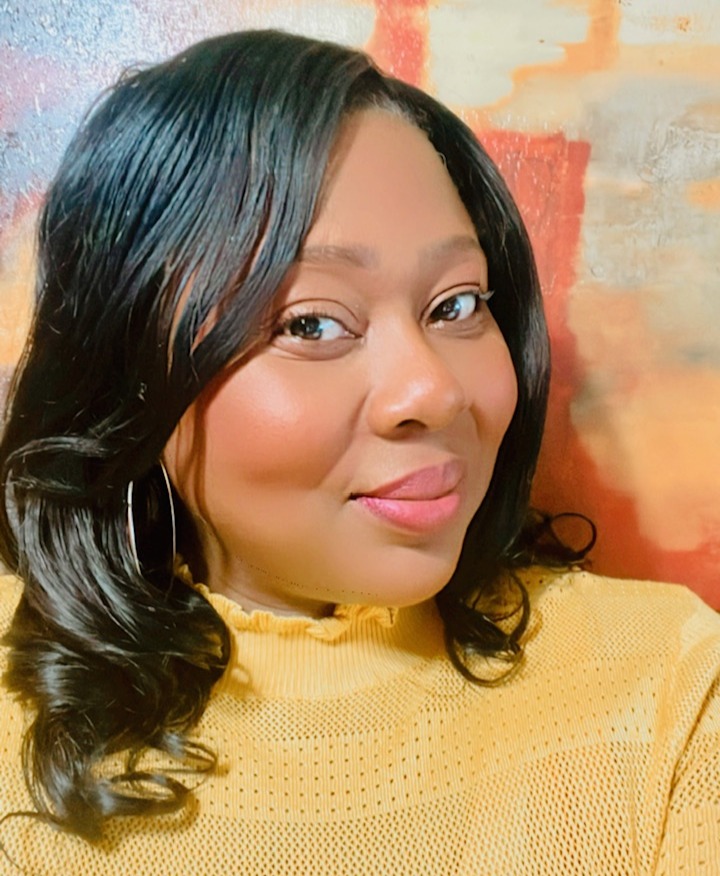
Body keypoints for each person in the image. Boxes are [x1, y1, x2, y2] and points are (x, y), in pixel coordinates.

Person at [0, 29, 717, 876]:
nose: (434, 393)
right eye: (311, 324)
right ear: (129, 375)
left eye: (456, 305)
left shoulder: (667, 694)